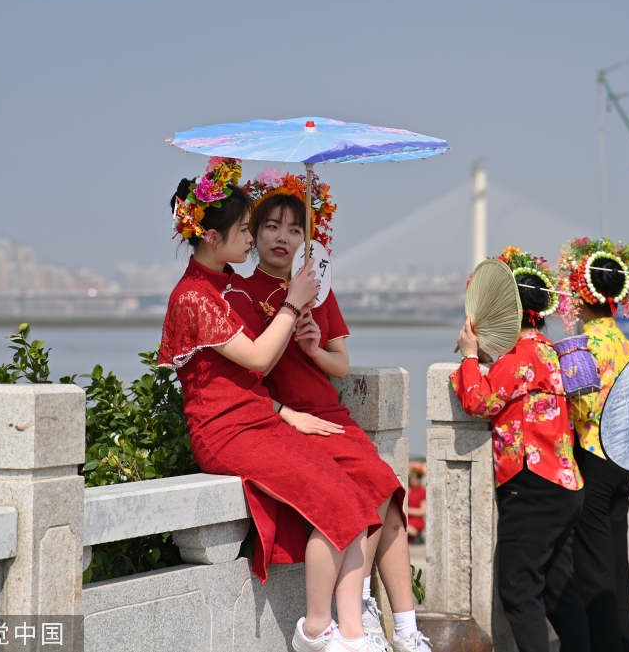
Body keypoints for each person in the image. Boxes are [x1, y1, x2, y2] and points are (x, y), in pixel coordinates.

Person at [159, 157, 386, 652]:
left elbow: (243, 382)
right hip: (226, 434)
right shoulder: (196, 296)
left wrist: (287, 414)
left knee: (353, 498)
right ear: (212, 236)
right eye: (245, 229)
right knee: (334, 502)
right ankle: (316, 630)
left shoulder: (220, 287)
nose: (250, 237)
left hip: (259, 421)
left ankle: (352, 632)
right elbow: (259, 362)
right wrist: (293, 300)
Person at [235, 170, 430, 652]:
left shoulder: (318, 288)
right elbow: (246, 375)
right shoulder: (240, 295)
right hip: (288, 421)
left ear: (309, 235)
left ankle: (403, 627)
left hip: (329, 414)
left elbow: (339, 365)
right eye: (272, 227)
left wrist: (314, 347)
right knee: (373, 496)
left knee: (387, 499)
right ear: (254, 233)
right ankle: (361, 610)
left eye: (295, 228)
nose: (283, 237)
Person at [452, 246, 589, 652]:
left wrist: (470, 357)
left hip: (531, 485)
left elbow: (480, 401)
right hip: (565, 482)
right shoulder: (548, 350)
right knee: (558, 588)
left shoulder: (518, 355)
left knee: (517, 587)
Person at [552, 237, 629, 652]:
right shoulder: (627, 344)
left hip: (592, 453)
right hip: (623, 459)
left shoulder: (583, 345)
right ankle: (623, 643)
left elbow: (584, 409)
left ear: (582, 293)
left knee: (592, 566)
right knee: (616, 563)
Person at [406, 462, 427, 544]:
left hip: (416, 520)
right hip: (407, 518)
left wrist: (407, 510)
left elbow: (423, 511)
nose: (412, 480)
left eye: (415, 478)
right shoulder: (408, 489)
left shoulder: (422, 491)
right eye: (412, 477)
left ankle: (417, 536)